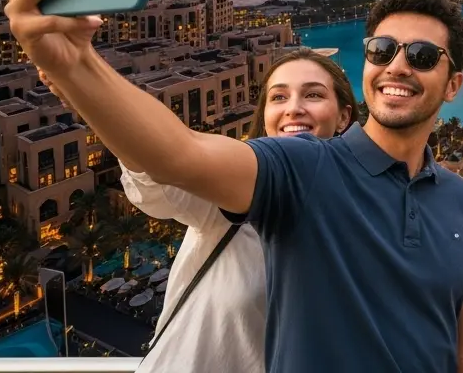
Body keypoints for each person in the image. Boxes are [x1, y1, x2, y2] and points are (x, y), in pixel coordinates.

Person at [4, 0, 463, 373]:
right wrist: (76, 65)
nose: (397, 67)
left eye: (423, 56)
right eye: (382, 51)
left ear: (452, 84)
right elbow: (178, 155)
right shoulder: (304, 167)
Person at [119, 49, 358, 372]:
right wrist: (85, 85)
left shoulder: (359, 215)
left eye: (313, 94)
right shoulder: (229, 198)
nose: (294, 108)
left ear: (344, 117)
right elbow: (156, 172)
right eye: (278, 97)